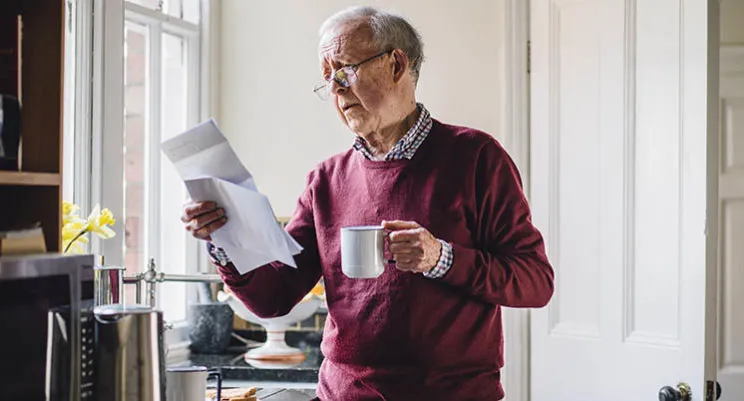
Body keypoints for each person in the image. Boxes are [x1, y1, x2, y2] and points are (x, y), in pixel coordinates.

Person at [181, 6, 554, 401]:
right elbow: (273, 298)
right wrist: (222, 238)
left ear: (396, 64)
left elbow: (535, 282)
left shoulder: (476, 156)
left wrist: (440, 258)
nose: (337, 90)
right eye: (328, 79)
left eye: (344, 71)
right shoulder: (325, 180)